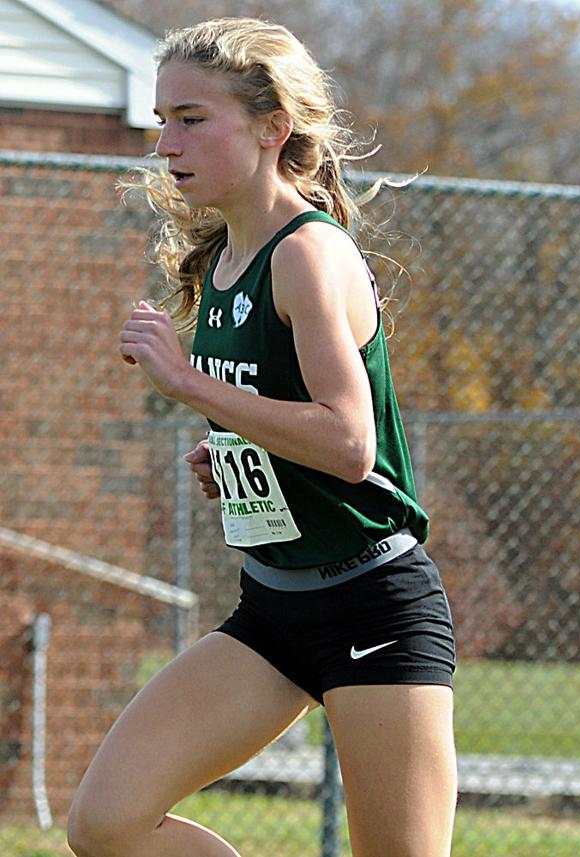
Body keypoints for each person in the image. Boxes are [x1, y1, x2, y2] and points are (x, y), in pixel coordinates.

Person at [67, 18, 456, 857]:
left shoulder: (307, 253)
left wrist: (189, 386)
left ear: (273, 126)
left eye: (193, 118)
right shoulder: (222, 260)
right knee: (106, 824)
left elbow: (351, 444)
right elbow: (292, 426)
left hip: (374, 601)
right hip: (273, 606)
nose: (165, 140)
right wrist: (239, 455)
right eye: (162, 116)